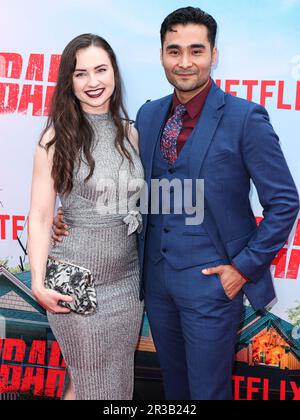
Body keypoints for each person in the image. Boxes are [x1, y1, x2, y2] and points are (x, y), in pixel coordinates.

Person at [53, 8, 300, 400]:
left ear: (213, 55)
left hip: (213, 287)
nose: (185, 62)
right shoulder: (148, 116)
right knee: (175, 392)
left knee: (207, 393)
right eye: (174, 51)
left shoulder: (245, 118)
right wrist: (73, 218)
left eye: (196, 51)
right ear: (162, 54)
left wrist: (242, 269)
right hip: (154, 285)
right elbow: (127, 188)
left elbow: (285, 202)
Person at [28, 34, 144, 400]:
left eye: (100, 70)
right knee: (94, 384)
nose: (93, 82)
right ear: (69, 81)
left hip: (127, 285)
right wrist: (37, 282)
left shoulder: (130, 134)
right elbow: (42, 215)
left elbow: (138, 202)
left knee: (114, 384)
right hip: (77, 284)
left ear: (114, 73)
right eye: (81, 74)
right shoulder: (54, 139)